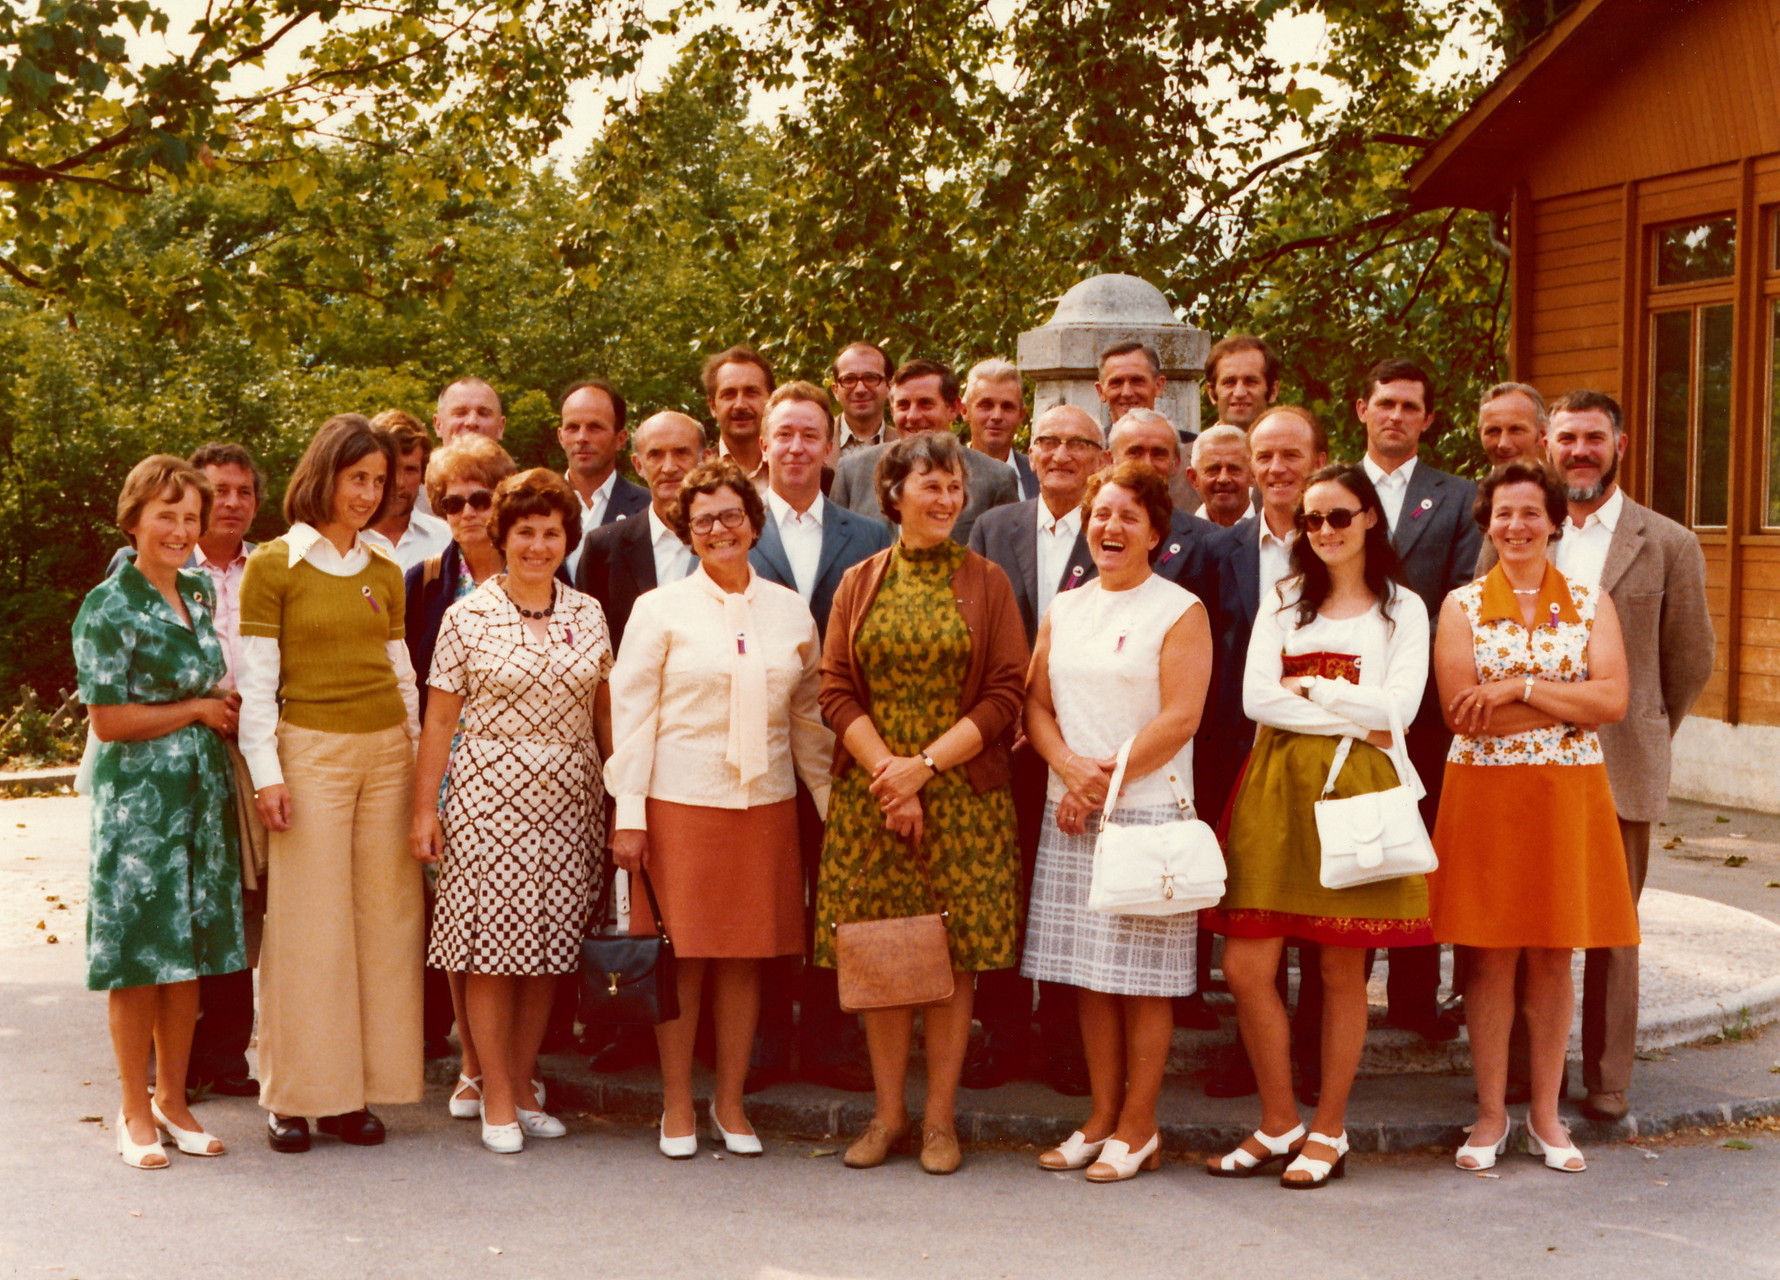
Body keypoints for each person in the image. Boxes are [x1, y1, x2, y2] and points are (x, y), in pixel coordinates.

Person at [1479, 390, 1712, 1122]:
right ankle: (1518, 1074)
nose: (1580, 451)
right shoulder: (1516, 531)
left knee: (1612, 928)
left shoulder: (1666, 541)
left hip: (1618, 761)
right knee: (1521, 923)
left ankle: (1607, 1078)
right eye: (1568, 438)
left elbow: (1689, 659)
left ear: (1620, 445)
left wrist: (1638, 726)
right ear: (1547, 445)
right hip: (1520, 762)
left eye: (1594, 439)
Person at [1206, 462, 1432, 1190]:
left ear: (1369, 517)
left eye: (1340, 516)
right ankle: (1279, 1119)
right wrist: (1351, 706)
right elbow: (1257, 702)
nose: (1325, 531)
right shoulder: (1284, 602)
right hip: (1274, 786)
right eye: (1312, 520)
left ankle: (1329, 1128)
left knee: (1341, 969)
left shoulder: (1404, 609)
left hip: (1357, 788)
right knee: (1246, 966)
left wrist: (1317, 685)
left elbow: (1399, 709)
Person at [606, 459, 834, 1159]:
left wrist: (830, 809)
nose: (718, 529)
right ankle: (677, 1102)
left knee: (745, 959)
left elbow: (807, 719)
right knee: (684, 959)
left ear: (753, 522)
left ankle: (729, 1102)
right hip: (680, 802)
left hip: (763, 806)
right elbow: (632, 715)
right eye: (703, 519)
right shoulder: (659, 609)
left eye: (731, 515)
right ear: (687, 531)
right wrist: (631, 814)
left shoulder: (789, 608)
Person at [816, 431, 1027, 1176]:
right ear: (894, 493)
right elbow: (834, 688)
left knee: (952, 959)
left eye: (954, 487)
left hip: (962, 795)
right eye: (930, 485)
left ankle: (939, 1122)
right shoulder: (860, 580)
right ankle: (887, 1115)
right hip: (871, 795)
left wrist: (925, 769)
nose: (946, 499)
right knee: (880, 955)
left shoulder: (988, 581)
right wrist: (889, 775)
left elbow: (1008, 692)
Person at [1430, 459, 1636, 1174]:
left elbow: (1611, 702)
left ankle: (1547, 1116)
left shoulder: (1588, 599)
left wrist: (1516, 685)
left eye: (1530, 513)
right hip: (1485, 798)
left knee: (1553, 955)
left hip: (1565, 797)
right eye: (1503, 514)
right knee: (1487, 958)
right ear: (1486, 522)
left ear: (1554, 520)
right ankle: (1490, 1116)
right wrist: (1562, 697)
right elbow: (1463, 713)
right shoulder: (1460, 606)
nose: (1516, 526)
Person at [410, 469, 615, 1154]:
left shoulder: (587, 612)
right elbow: (438, 721)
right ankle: (494, 1089)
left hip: (570, 797)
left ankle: (523, 1082)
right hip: (485, 797)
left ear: (567, 538)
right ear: (504, 536)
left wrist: (624, 801)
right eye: (524, 531)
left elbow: (605, 714)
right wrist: (424, 811)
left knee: (548, 949)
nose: (536, 544)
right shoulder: (466, 615)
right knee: (492, 951)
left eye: (550, 532)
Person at [1021, 462, 1212, 1182]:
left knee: (1145, 982)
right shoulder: (1066, 607)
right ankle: (1101, 1118)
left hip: (1147, 815)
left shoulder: (1178, 609)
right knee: (1089, 978)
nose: (1110, 527)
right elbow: (1035, 705)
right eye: (1101, 514)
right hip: (1070, 812)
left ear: (1156, 534)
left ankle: (1140, 1125)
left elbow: (1181, 717)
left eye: (1128, 517)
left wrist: (1099, 782)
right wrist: (1069, 768)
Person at [238, 413, 423, 1154]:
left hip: (386, 755)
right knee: (308, 934)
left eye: (378, 481)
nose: (369, 494)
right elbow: (257, 684)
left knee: (382, 928)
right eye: (357, 479)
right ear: (325, 474)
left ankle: (355, 1097)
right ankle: (293, 1095)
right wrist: (267, 775)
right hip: (308, 753)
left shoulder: (383, 567)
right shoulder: (274, 564)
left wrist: (416, 769)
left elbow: (403, 675)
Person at [75, 455, 246, 1168]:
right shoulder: (108, 605)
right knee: (139, 955)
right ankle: (133, 1108)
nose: (180, 529)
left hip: (202, 796)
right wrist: (199, 710)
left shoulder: (200, 592)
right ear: (134, 518)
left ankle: (175, 1102)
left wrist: (224, 713)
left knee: (191, 953)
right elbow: (109, 720)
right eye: (166, 515)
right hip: (138, 805)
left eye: (189, 517)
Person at [747, 382, 893, 1093]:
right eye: (785, 435)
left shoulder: (868, 536)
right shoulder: (733, 531)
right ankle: (768, 1041)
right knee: (771, 896)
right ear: (764, 445)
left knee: (838, 895)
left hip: (842, 743)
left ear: (831, 447)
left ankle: (836, 1042)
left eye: (810, 435)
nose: (797, 448)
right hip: (754, 745)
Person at [965, 404, 1108, 1093]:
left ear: (1099, 457)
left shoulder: (1112, 529)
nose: (1058, 454)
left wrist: (1045, 712)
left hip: (1081, 740)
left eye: (1076, 443)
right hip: (1001, 741)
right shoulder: (997, 526)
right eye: (1046, 441)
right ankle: (1003, 1034)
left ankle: (1065, 1039)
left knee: (1071, 891)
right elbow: (982, 621)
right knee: (1004, 888)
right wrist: (1012, 706)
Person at [1200, 405, 1329, 1102]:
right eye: (1266, 456)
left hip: (1330, 755)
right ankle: (1252, 1052)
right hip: (1240, 757)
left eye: (1292, 455)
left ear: (1317, 460)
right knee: (1254, 909)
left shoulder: (1346, 546)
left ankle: (1313, 1052)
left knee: (1320, 908)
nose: (1277, 469)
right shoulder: (1216, 553)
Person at [1357, 358, 1480, 1043]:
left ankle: (1411, 996)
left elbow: (1460, 597)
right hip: (1346, 703)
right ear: (1362, 410)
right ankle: (1344, 984)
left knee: (1415, 845)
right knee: (1353, 846)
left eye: (1410, 406)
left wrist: (1407, 672)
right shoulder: (1336, 488)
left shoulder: (1458, 498)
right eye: (1386, 404)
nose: (1396, 416)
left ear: (1428, 419)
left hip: (1426, 710)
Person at [402, 432, 518, 1116]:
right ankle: (472, 1061)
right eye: (453, 501)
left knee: (516, 920)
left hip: (527, 768)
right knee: (458, 921)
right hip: (452, 772)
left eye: (481, 496)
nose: (468, 511)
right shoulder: (421, 583)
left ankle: (512, 1065)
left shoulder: (543, 569)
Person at [827, 359, 1018, 545]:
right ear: (892, 410)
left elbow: (1005, 562)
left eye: (925, 404)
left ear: (953, 409)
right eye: (903, 405)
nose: (913, 416)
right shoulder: (852, 471)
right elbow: (835, 550)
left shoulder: (996, 478)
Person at [575, 411, 706, 650]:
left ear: (705, 459)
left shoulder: (728, 539)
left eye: (681, 452)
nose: (669, 467)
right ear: (638, 465)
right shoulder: (604, 548)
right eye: (655, 454)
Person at [558, 377, 648, 579]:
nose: (582, 437)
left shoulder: (647, 508)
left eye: (595, 427)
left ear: (620, 439)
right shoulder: (535, 504)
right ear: (560, 437)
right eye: (572, 427)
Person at [364, 411, 451, 571]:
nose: (399, 482)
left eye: (410, 470)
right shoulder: (342, 539)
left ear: (423, 474)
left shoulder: (446, 539)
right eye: (390, 468)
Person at [961, 358, 1036, 500]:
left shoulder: (1038, 475)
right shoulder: (946, 472)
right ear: (965, 411)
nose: (997, 416)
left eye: (1007, 407)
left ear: (1021, 415)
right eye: (986, 405)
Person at [704, 345, 775, 490]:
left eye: (751, 392)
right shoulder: (695, 473)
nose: (740, 405)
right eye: (729, 394)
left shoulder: (807, 473)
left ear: (771, 400)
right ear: (712, 406)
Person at [829, 341, 896, 454]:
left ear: (888, 387)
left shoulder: (904, 443)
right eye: (849, 379)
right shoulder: (816, 441)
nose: (860, 389)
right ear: (835, 390)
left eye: (870, 378)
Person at [1204, 335, 1281, 431]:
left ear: (1273, 391)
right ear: (1211, 392)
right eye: (1229, 383)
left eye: (1251, 382)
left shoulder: (1297, 445)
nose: (1239, 393)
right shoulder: (1193, 446)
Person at [1187, 425, 1257, 526]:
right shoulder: (1173, 535)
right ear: (1194, 478)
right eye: (1213, 470)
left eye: (1234, 469)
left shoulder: (1272, 531)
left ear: (1253, 475)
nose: (1223, 479)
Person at [1477, 382, 1547, 467]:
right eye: (1493, 431)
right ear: (1480, 434)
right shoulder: (1467, 481)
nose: (1503, 444)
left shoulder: (1557, 480)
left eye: (1516, 430)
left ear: (1542, 434)